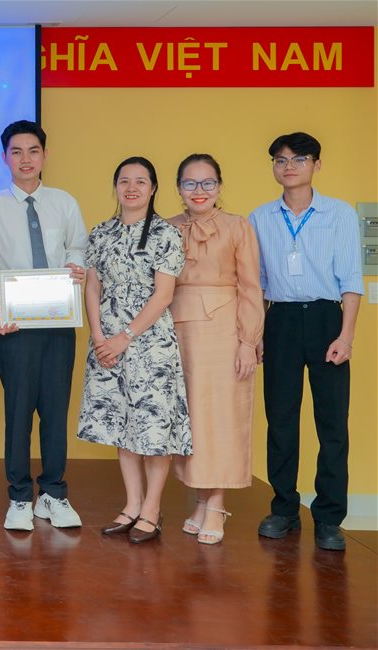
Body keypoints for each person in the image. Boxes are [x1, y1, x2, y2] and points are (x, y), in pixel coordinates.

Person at [249, 132, 363, 552]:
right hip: (279, 319)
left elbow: (351, 281)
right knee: (280, 419)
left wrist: (345, 337)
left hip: (326, 318)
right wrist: (256, 334)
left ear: (316, 164)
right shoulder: (260, 217)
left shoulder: (339, 214)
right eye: (281, 160)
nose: (289, 167)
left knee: (332, 423)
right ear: (274, 167)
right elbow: (257, 284)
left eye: (299, 159)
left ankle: (329, 517)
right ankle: (283, 509)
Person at [0, 120, 88, 532]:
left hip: (59, 323)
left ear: (44, 155)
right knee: (19, 412)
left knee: (55, 411)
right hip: (15, 328)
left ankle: (54, 493)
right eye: (17, 152)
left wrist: (75, 265)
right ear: (4, 157)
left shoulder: (64, 202)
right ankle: (20, 496)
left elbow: (78, 246)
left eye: (33, 150)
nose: (26, 159)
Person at [77, 156, 191, 544]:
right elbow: (93, 287)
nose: (132, 188)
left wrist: (124, 337)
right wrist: (98, 336)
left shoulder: (165, 233)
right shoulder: (101, 232)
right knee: (122, 424)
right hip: (106, 342)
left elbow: (164, 295)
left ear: (153, 188)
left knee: (153, 427)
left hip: (150, 342)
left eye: (141, 181)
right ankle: (132, 504)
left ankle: (152, 510)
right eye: (124, 180)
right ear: (115, 186)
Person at [168, 154, 263, 545]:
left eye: (207, 183)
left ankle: (217, 504)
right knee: (191, 418)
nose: (199, 191)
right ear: (178, 188)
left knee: (221, 417)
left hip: (224, 331)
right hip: (175, 330)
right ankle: (201, 500)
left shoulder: (238, 226)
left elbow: (252, 288)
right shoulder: (166, 227)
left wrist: (248, 341)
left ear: (219, 186)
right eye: (190, 183)